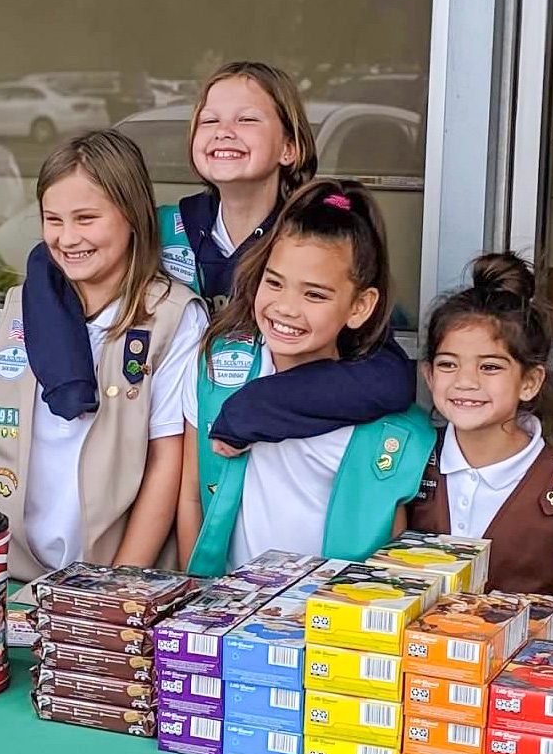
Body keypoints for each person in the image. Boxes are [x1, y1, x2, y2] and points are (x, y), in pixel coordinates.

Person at [25, 60, 416, 457]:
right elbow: (51, 262)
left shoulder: (311, 242)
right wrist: (69, 382)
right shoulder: (166, 229)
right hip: (158, 451)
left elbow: (388, 374)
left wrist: (254, 409)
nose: (223, 131)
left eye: (246, 119)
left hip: (257, 458)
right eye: (208, 120)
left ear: (289, 147)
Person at [0, 129, 206, 580]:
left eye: (86, 218)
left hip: (111, 569)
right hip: (15, 564)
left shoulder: (172, 316)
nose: (67, 237)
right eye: (53, 220)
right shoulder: (23, 304)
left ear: (132, 215)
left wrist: (117, 587)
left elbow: (166, 461)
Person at [178, 178, 434, 574]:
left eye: (314, 294)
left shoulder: (389, 430)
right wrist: (193, 595)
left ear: (360, 306)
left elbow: (389, 545)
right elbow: (192, 496)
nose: (286, 308)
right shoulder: (217, 371)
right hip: (224, 617)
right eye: (274, 282)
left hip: (333, 623)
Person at [409, 252, 553, 630]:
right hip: (423, 671)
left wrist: (535, 630)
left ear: (529, 382)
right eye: (448, 364)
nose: (465, 381)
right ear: (428, 375)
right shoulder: (412, 459)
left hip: (518, 676)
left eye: (489, 367)